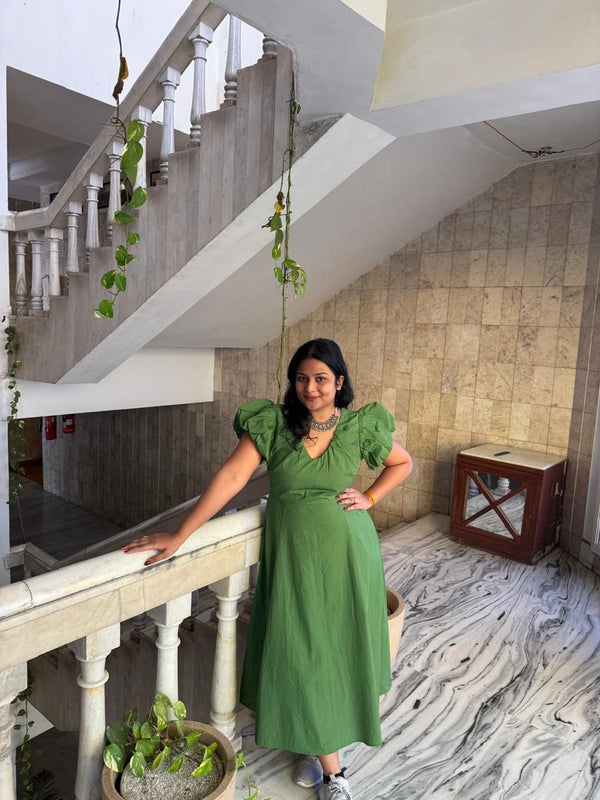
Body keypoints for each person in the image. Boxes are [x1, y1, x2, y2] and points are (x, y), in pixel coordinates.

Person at [124, 338, 412, 800]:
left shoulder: (361, 426)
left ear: (339, 382)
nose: (310, 388)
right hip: (294, 555)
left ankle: (332, 769)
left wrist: (370, 497)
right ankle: (319, 748)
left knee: (335, 649)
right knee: (302, 651)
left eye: (320, 379)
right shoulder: (275, 425)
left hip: (347, 553)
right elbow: (232, 477)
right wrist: (182, 534)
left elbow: (402, 462)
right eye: (302, 378)